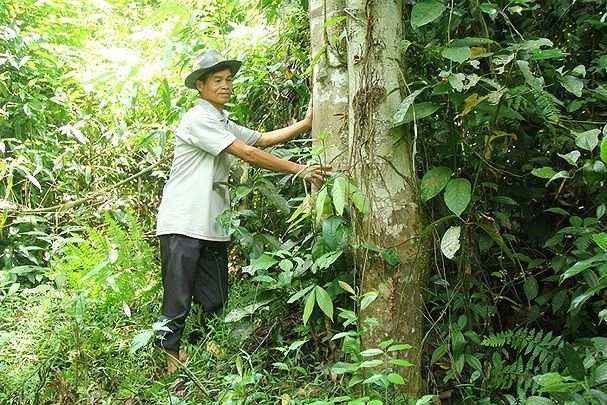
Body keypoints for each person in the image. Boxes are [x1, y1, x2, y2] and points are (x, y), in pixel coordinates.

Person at [153, 49, 330, 373]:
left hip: (212, 225)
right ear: (201, 87)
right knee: (177, 299)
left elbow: (261, 139)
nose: (225, 85)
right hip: (182, 222)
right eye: (217, 80)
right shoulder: (197, 118)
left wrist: (306, 123)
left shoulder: (221, 122)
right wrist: (299, 169)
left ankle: (208, 354)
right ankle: (171, 364)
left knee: (216, 297)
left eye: (229, 79)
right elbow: (247, 152)